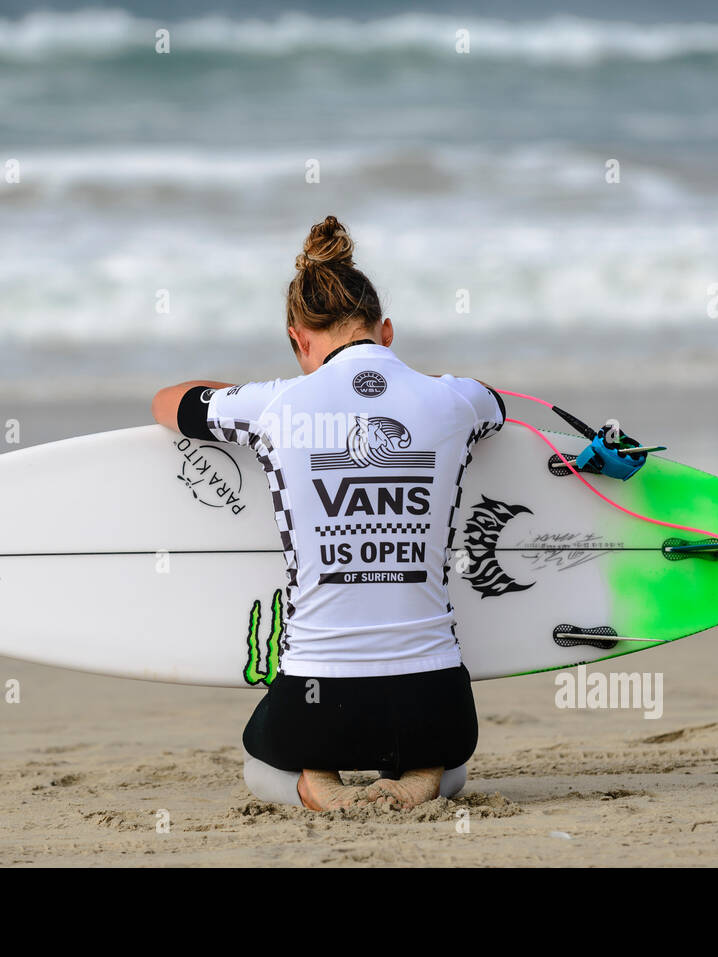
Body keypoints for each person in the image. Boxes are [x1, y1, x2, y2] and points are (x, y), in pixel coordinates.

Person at [151, 215, 505, 811]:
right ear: (386, 330)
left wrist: (251, 394)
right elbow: (496, 408)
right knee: (453, 763)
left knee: (260, 766)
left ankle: (318, 783)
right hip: (437, 704)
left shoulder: (274, 405)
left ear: (297, 340)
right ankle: (421, 777)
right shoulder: (456, 398)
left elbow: (167, 403)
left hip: (316, 703)